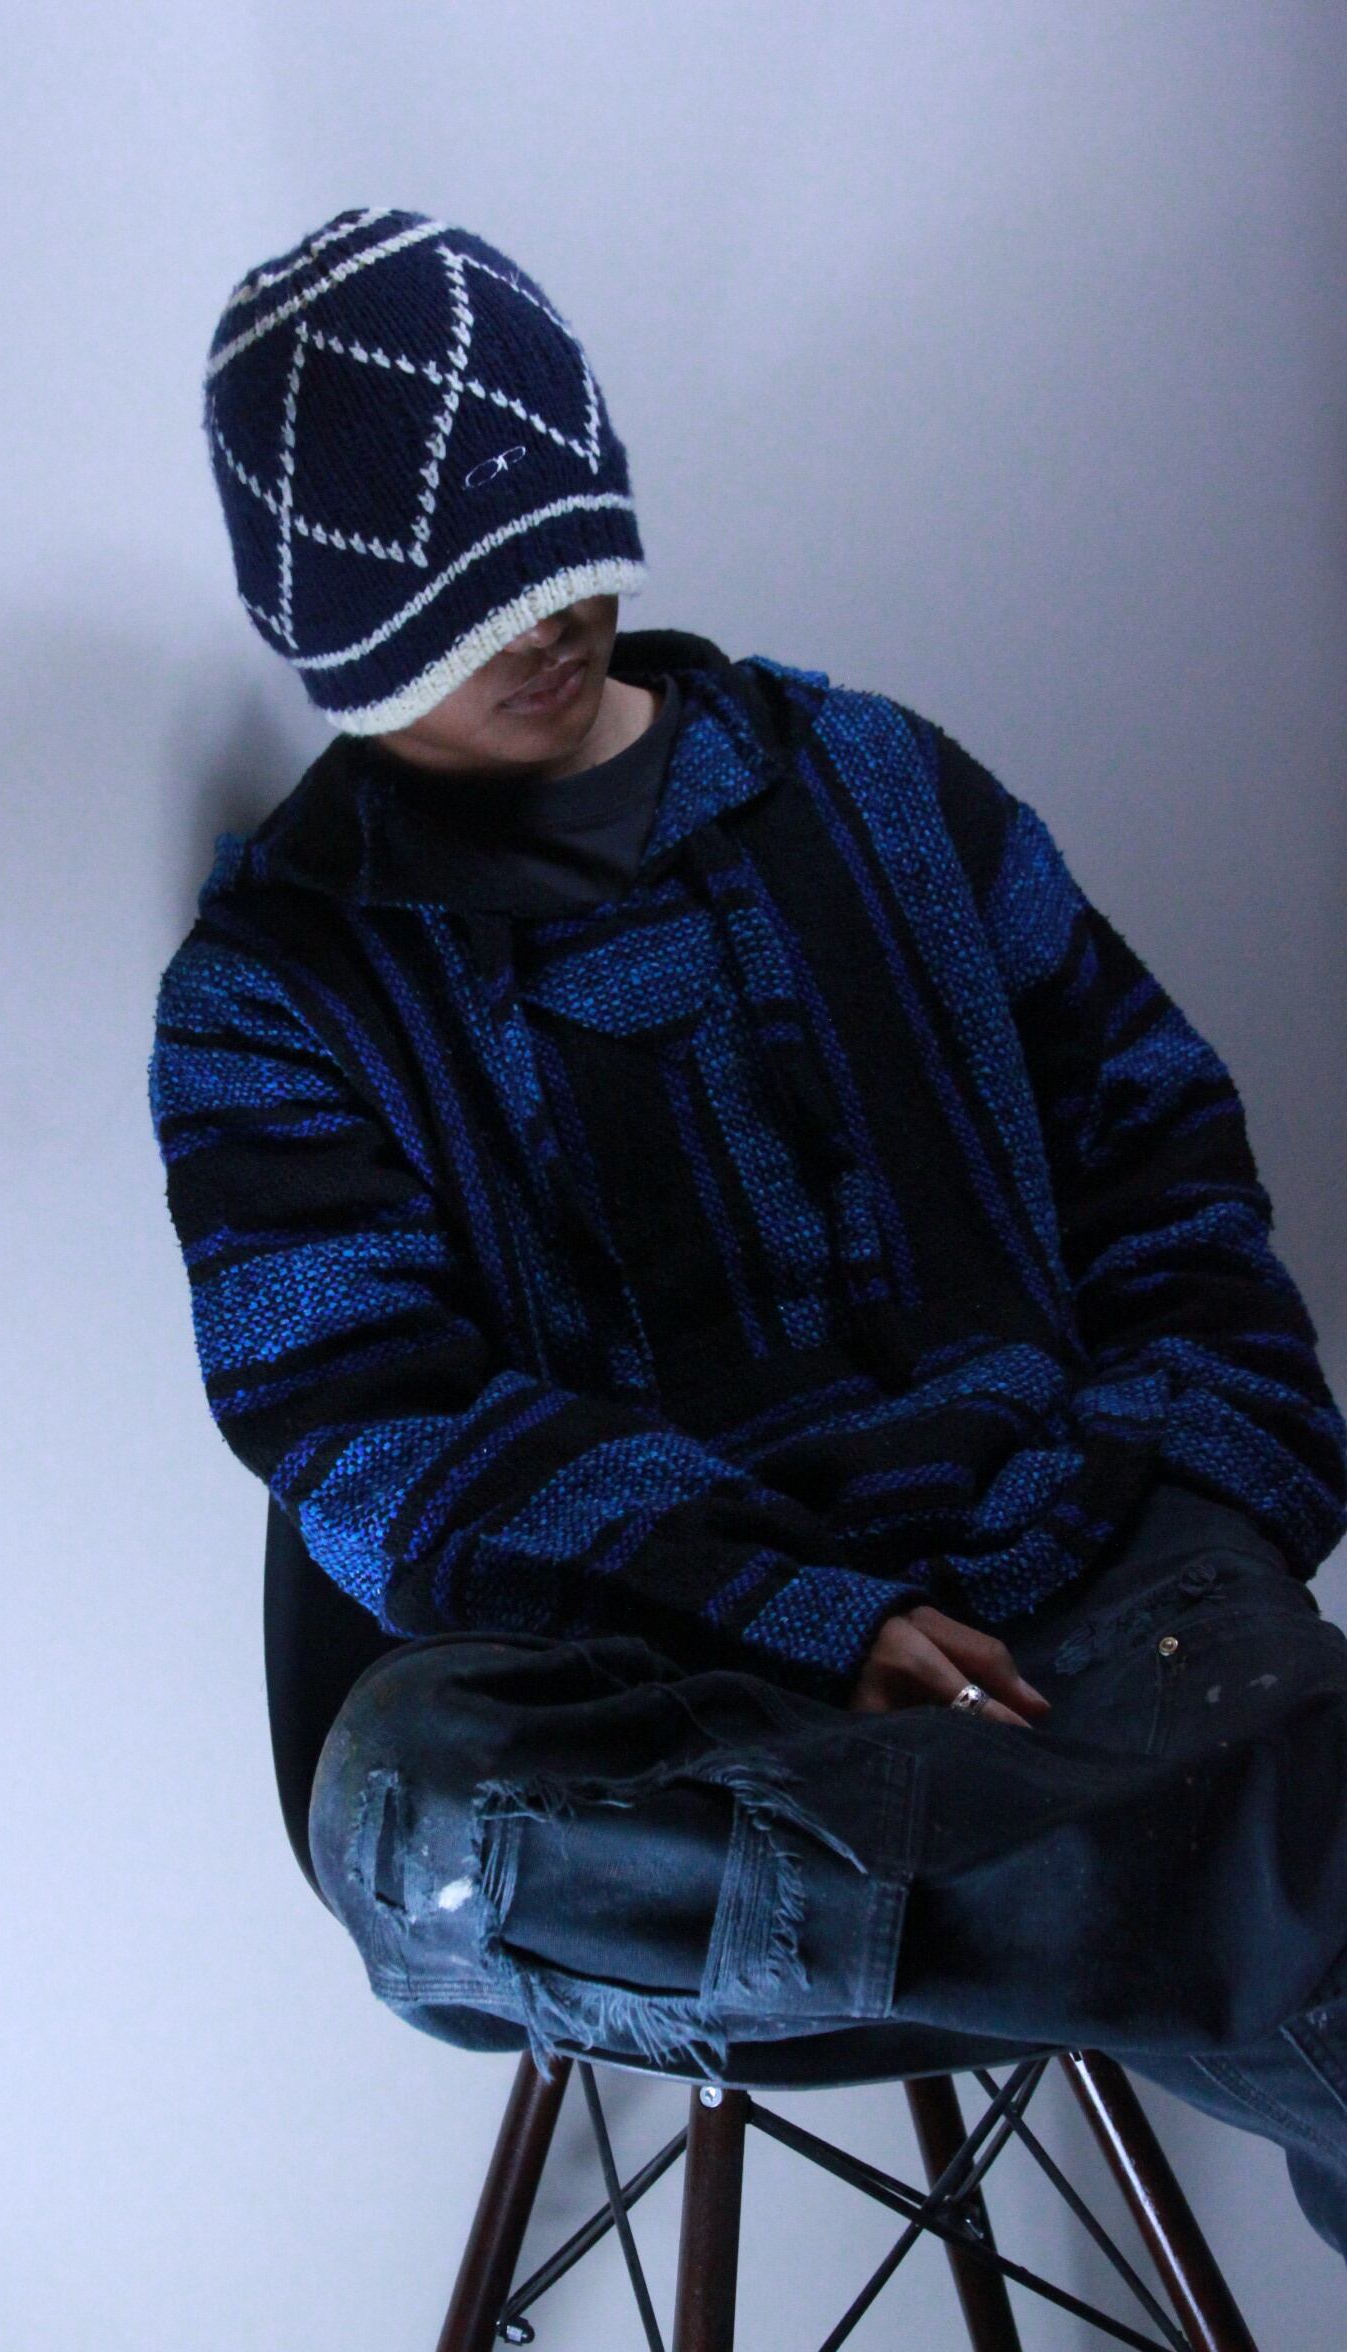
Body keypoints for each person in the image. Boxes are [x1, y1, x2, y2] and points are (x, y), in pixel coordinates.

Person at [148, 206, 1347, 2258]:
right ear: (334, 638)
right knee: (418, 1833)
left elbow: (1157, 1143)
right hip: (693, 1692)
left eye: (562, 562)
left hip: (1098, 1592)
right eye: (463, 612)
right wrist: (798, 1618)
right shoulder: (277, 995)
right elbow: (361, 1418)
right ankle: (1268, 1876)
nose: (545, 628)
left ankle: (1215, 1859)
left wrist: (1193, 1497)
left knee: (1222, 1722)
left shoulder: (876, 781)